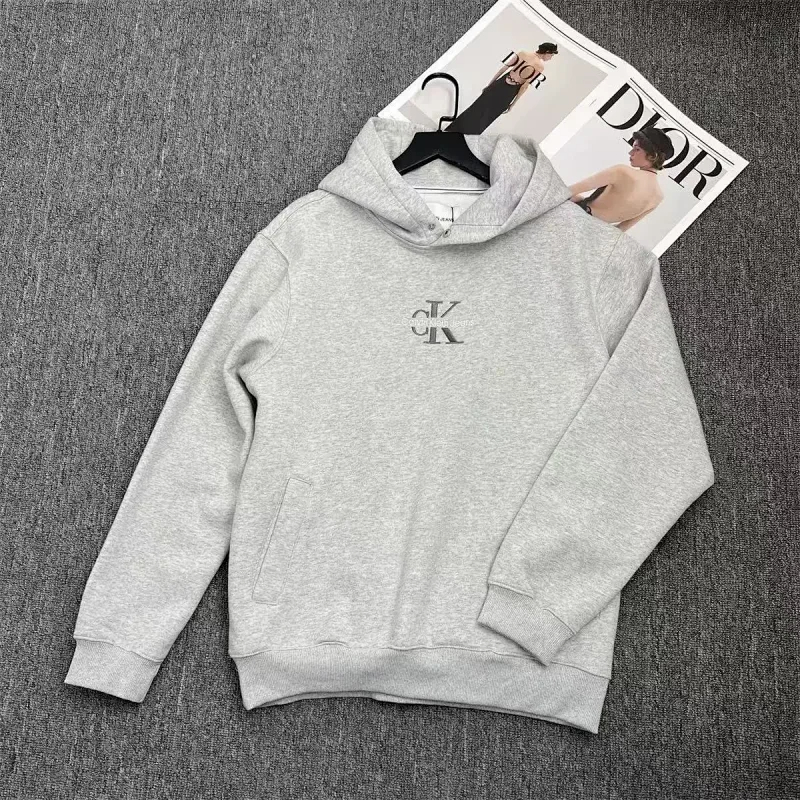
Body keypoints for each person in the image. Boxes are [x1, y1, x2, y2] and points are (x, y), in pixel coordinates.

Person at [569, 126, 674, 231]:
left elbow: (570, 190)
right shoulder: (658, 197)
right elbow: (621, 230)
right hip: (594, 231)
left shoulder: (622, 171)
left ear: (652, 156)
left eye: (637, 149)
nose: (631, 153)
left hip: (575, 216)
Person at [444, 43, 559, 134]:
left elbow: (503, 69)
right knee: (486, 118)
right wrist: (513, 104)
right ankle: (465, 140)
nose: (551, 58)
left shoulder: (523, 53)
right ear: (547, 52)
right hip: (509, 92)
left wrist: (490, 85)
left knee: (475, 109)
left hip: (499, 83)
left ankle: (451, 131)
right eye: (552, 55)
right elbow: (524, 86)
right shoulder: (539, 66)